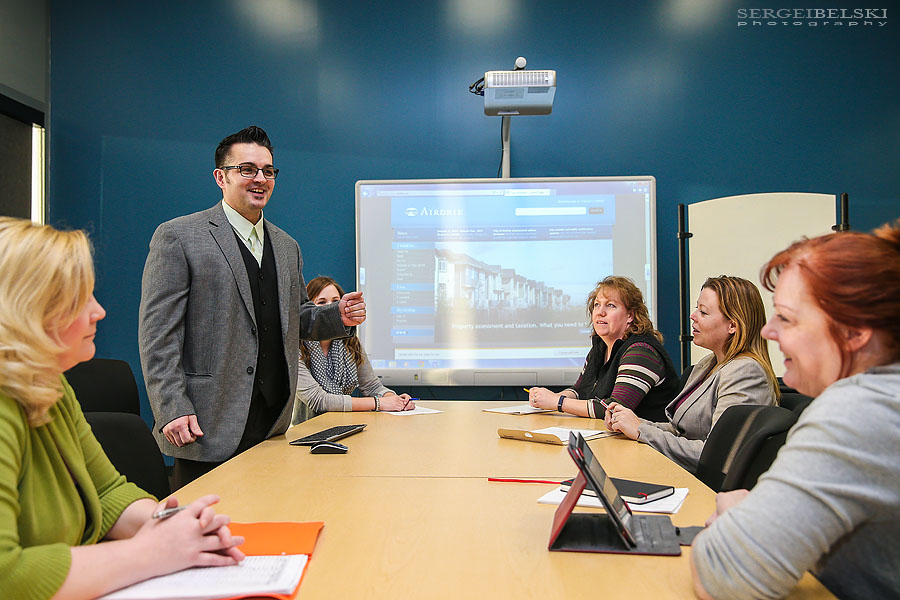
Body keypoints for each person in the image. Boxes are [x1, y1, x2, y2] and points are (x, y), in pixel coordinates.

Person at [0, 217, 244, 600]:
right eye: (80, 299)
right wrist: (148, 552)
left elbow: (107, 491)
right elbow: (6, 575)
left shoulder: (50, 384)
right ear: (28, 310)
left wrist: (172, 526)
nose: (99, 311)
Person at [139, 126, 365, 489]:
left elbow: (297, 318)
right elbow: (158, 334)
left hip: (272, 420)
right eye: (247, 169)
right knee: (209, 535)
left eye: (268, 170)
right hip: (207, 421)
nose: (260, 178)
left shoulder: (286, 245)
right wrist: (171, 407)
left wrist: (335, 316)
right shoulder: (179, 236)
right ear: (221, 177)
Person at [691, 222, 900, 599]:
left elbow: (723, 577)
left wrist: (734, 508)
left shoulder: (859, 410)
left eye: (785, 317)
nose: (768, 331)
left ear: (854, 332)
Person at [605, 275, 778, 473]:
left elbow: (719, 455)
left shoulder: (745, 372)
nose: (693, 315)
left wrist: (641, 431)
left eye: (703, 312)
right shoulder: (708, 364)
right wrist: (632, 422)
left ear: (733, 326)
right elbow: (681, 431)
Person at [529, 276, 680, 422]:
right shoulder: (600, 348)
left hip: (648, 442)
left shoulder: (641, 352)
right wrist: (546, 398)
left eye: (610, 305)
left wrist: (557, 402)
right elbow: (580, 391)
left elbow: (613, 409)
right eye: (597, 305)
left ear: (630, 316)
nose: (601, 312)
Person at [293, 276, 414, 422]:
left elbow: (372, 385)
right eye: (322, 302)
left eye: (335, 302)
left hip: (345, 424)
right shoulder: (295, 347)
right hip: (307, 430)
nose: (330, 308)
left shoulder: (350, 341)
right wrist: (379, 403)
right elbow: (318, 400)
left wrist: (393, 398)